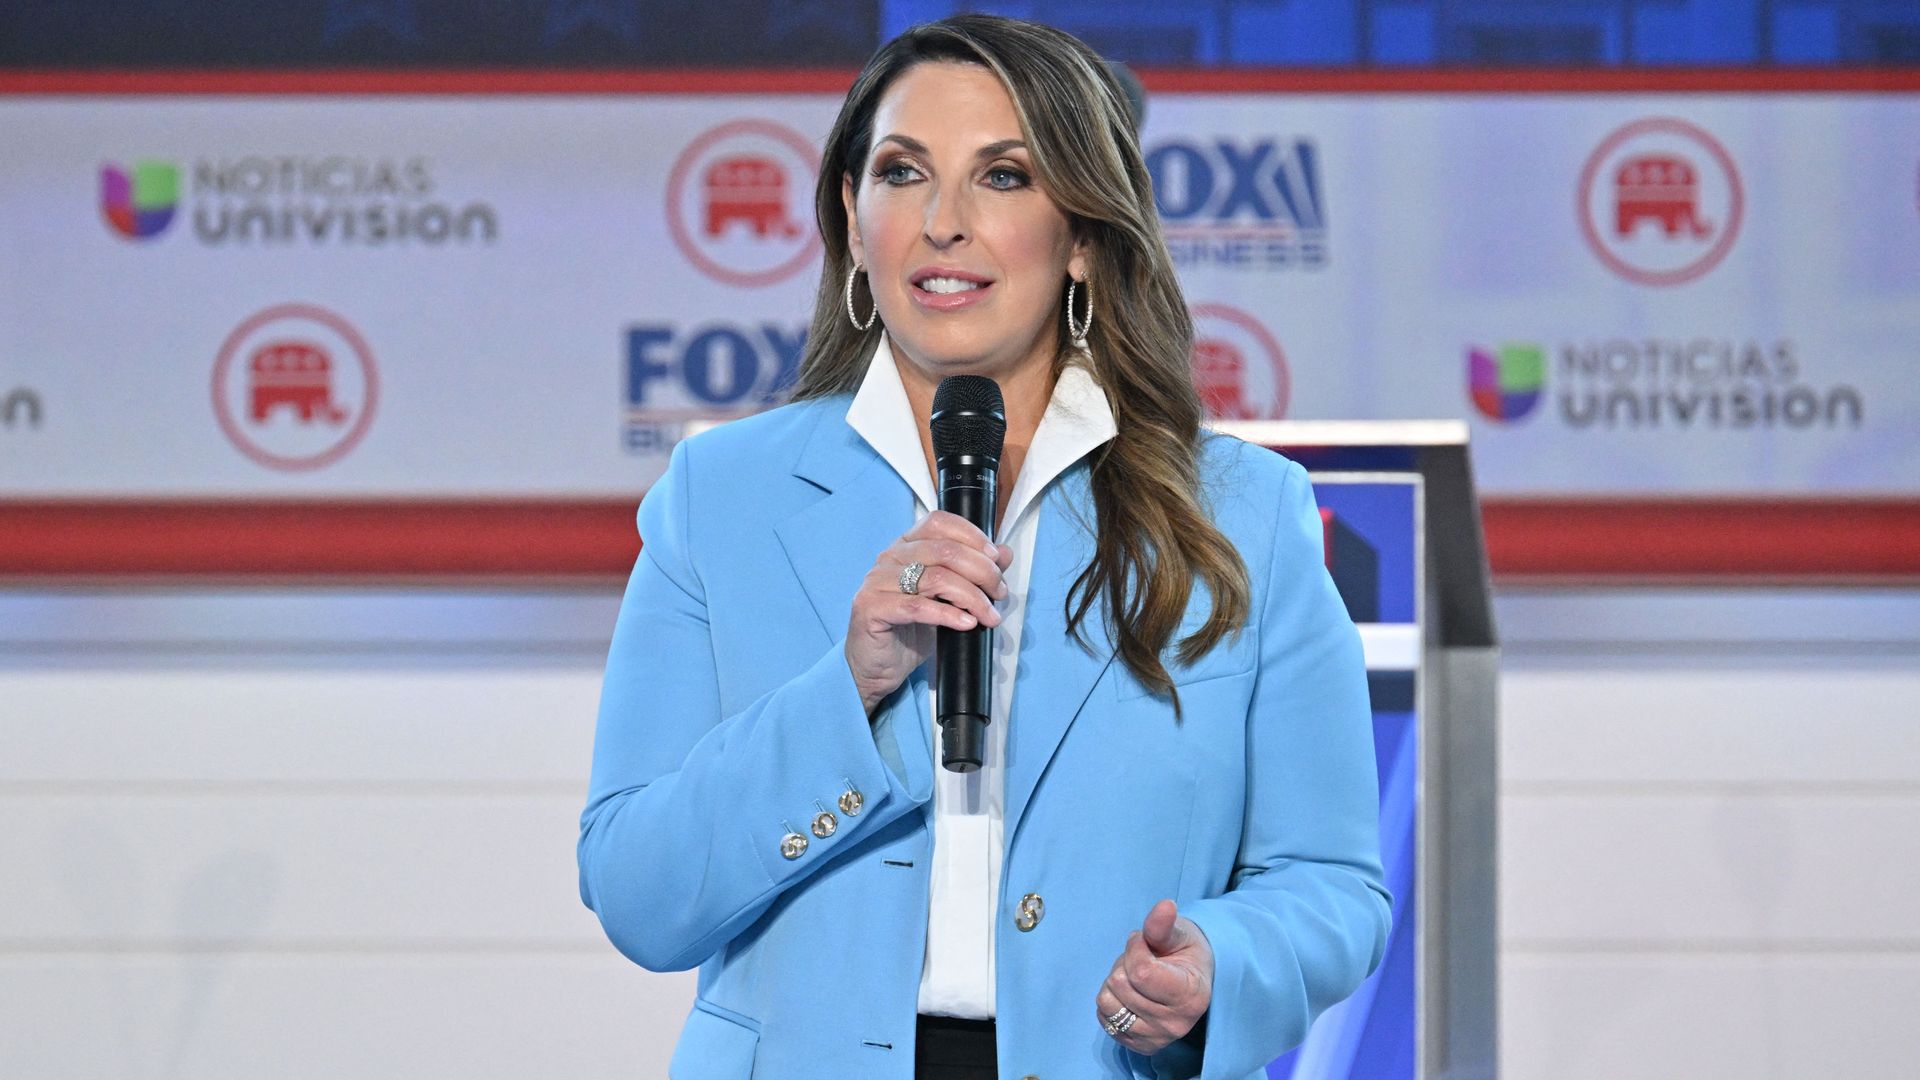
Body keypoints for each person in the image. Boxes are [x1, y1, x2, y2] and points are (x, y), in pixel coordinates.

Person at [577, 14, 1389, 1079]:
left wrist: (1215, 968)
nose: (944, 222)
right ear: (851, 218)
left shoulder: (1241, 511)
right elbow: (638, 892)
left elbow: (1331, 884)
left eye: (1003, 178)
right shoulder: (719, 498)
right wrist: (850, 687)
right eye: (904, 173)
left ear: (1085, 235)